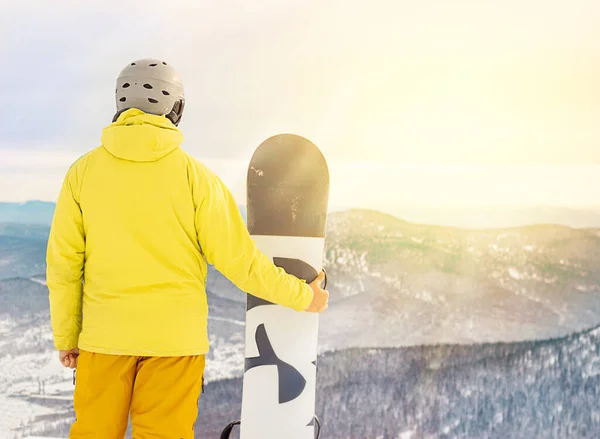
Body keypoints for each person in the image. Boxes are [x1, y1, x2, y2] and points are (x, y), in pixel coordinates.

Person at [46, 58, 329, 439]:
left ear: (120, 105)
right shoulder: (198, 180)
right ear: (175, 108)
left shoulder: (82, 174)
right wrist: (302, 296)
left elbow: (63, 267)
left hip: (103, 341)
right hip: (175, 345)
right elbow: (241, 262)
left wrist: (67, 336)